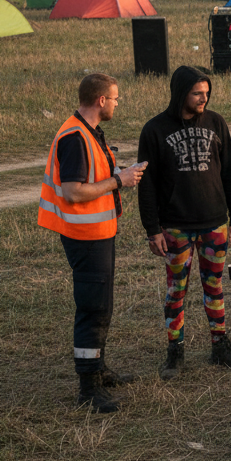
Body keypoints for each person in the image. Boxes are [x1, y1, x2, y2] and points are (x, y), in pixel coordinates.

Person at [39, 73, 145, 413]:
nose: (116, 103)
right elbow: (73, 192)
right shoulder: (74, 136)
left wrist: (119, 174)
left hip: (99, 234)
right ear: (101, 100)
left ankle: (98, 368)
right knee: (92, 309)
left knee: (103, 305)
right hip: (85, 237)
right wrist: (119, 181)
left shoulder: (89, 132)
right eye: (114, 98)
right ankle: (88, 387)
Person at [137, 65, 231, 381]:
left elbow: (230, 174)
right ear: (180, 93)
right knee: (176, 290)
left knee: (215, 286)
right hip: (174, 227)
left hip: (214, 223)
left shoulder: (216, 122)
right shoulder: (154, 130)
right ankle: (175, 351)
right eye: (197, 93)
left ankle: (220, 345)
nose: (204, 98)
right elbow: (147, 184)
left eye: (207, 93)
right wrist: (152, 229)